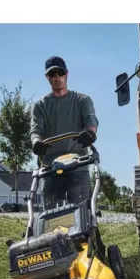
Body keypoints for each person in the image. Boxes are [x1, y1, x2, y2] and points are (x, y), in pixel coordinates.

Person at [31, 56, 99, 211]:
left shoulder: (82, 100)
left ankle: (86, 235)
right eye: (52, 74)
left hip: (78, 165)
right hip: (50, 168)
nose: (57, 78)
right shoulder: (41, 105)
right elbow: (36, 130)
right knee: (50, 215)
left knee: (82, 213)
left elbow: (91, 120)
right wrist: (36, 142)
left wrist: (90, 133)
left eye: (60, 73)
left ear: (66, 74)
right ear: (47, 77)